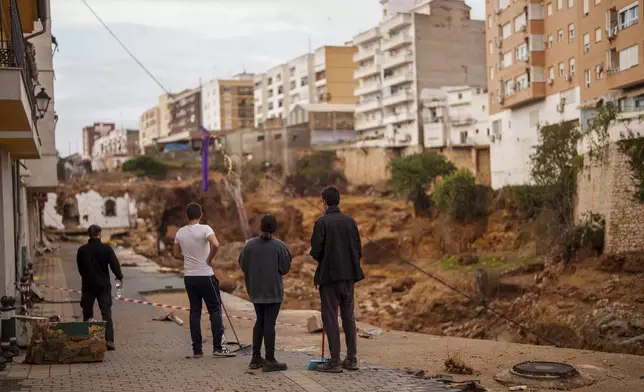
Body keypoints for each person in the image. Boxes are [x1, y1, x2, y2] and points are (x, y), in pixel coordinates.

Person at [310, 186, 364, 373]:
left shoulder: (321, 222)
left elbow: (315, 251)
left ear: (324, 201)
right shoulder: (351, 222)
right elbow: (358, 250)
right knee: (348, 317)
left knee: (331, 318)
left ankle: (334, 362)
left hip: (329, 278)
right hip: (349, 278)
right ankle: (352, 359)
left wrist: (327, 262)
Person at [173, 203, 235, 358]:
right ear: (200, 214)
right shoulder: (206, 229)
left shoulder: (180, 233)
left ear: (187, 215)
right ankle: (218, 348)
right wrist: (209, 259)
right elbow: (215, 244)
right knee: (214, 309)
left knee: (195, 311)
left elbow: (175, 254)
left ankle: (197, 350)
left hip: (190, 277)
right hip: (206, 275)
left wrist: (187, 257)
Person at [238, 215, 291, 372]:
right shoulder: (280, 246)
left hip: (255, 291)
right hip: (273, 292)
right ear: (274, 229)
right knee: (269, 324)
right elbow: (285, 268)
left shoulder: (249, 245)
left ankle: (255, 358)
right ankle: (270, 359)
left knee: (259, 321)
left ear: (260, 227)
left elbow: (242, 264)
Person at [76, 225, 123, 351]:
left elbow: (80, 268)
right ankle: (109, 340)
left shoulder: (82, 250)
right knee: (106, 313)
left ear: (88, 235)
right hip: (103, 286)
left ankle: (87, 339)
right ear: (100, 234)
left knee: (87, 313)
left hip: (88, 285)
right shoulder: (106, 249)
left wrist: (86, 277)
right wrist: (119, 276)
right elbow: (114, 264)